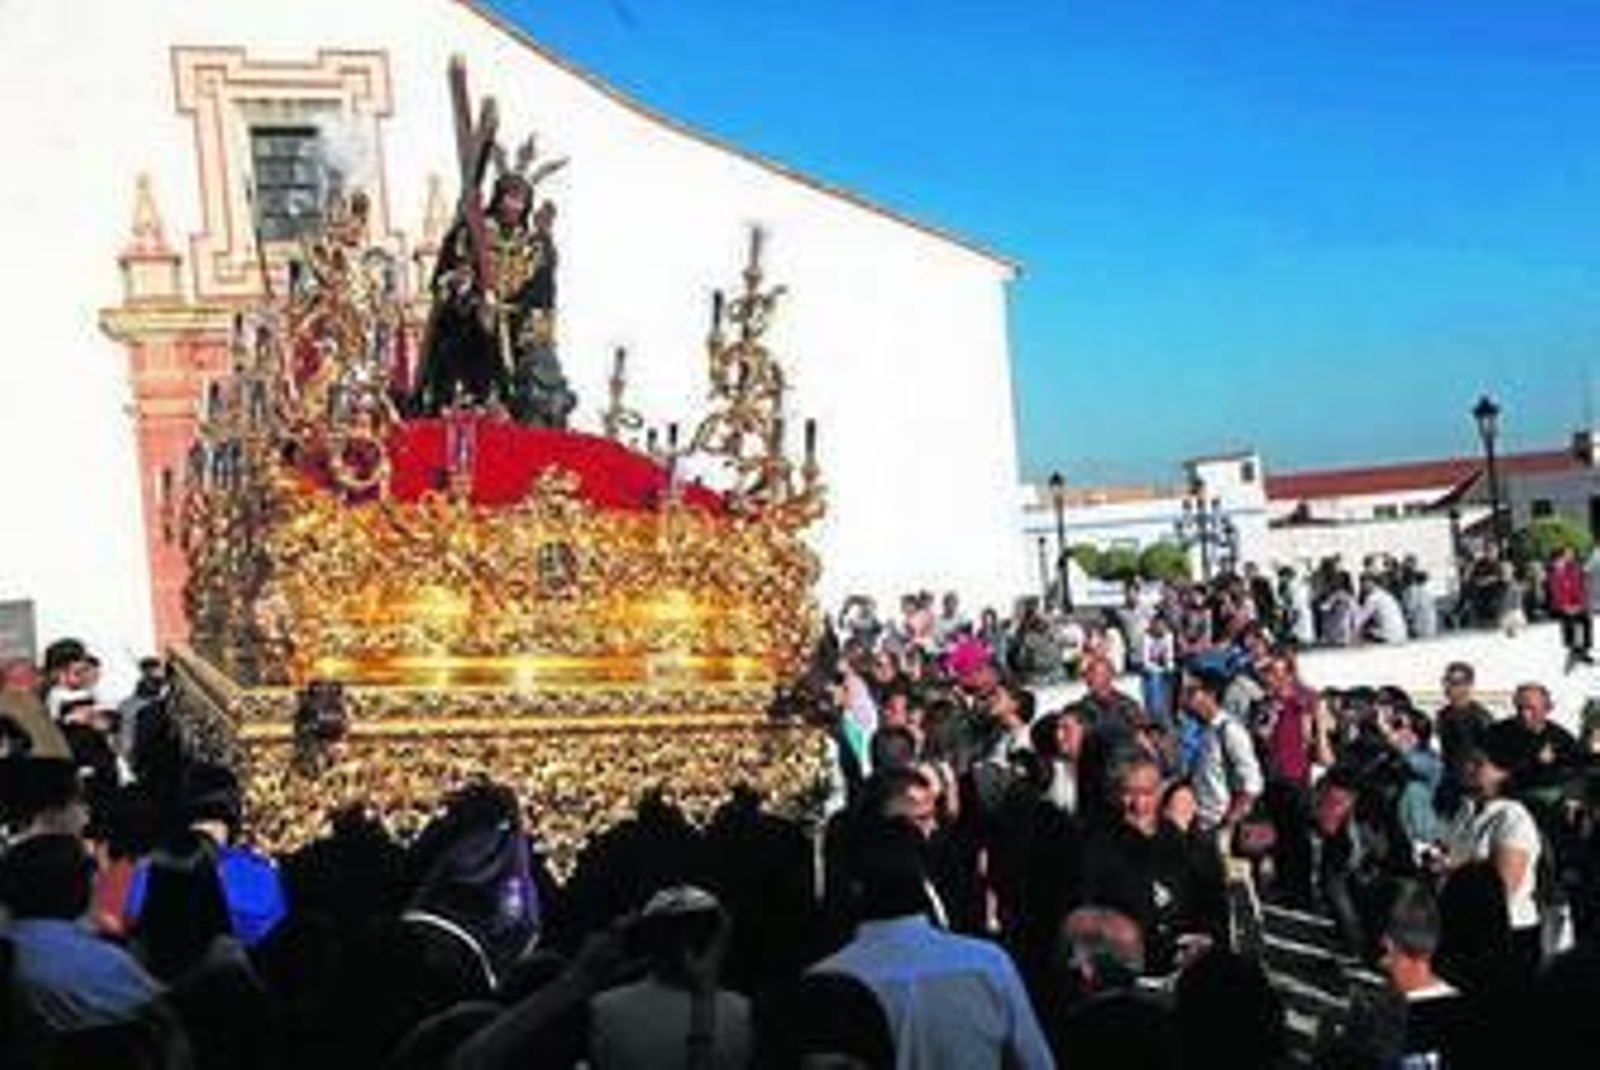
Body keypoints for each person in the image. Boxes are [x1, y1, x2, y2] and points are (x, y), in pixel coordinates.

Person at [415, 169, 576, 427]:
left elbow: (542, 292)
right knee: (462, 346)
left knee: (538, 369)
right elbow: (447, 276)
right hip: (471, 321)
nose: (514, 206)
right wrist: (468, 290)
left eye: (520, 200)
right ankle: (459, 404)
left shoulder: (530, 245)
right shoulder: (472, 233)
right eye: (510, 198)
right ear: (498, 198)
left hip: (515, 326)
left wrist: (533, 327)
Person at [1548, 545, 1593, 668]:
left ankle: (1584, 651)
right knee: (1569, 622)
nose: (1569, 556)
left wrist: (1580, 605)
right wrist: (1566, 607)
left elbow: (1580, 589)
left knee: (1586, 621)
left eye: (1571, 553)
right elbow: (1556, 592)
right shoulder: (1556, 572)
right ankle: (1573, 650)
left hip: (1577, 604)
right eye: (1566, 554)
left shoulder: (1575, 569)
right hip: (1563, 606)